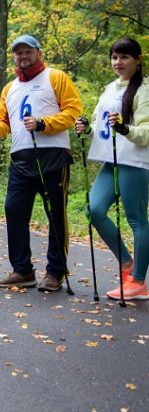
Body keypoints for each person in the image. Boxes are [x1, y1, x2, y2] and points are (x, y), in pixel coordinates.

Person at [0, 35, 81, 292]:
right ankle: (23, 270)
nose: (23, 56)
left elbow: (73, 112)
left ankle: (55, 272)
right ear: (13, 57)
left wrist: (44, 123)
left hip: (52, 156)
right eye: (18, 53)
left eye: (28, 52)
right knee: (14, 210)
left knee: (55, 215)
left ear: (38, 53)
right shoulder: (9, 89)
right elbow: (4, 126)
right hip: (20, 159)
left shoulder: (56, 77)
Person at [75, 38, 149, 300]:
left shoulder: (144, 90)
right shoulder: (109, 88)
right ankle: (128, 264)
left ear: (138, 59)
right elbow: (100, 124)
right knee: (94, 210)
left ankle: (138, 282)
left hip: (135, 162)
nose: (118, 62)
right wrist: (87, 128)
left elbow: (146, 131)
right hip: (111, 160)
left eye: (124, 57)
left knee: (136, 219)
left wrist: (125, 129)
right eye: (115, 57)